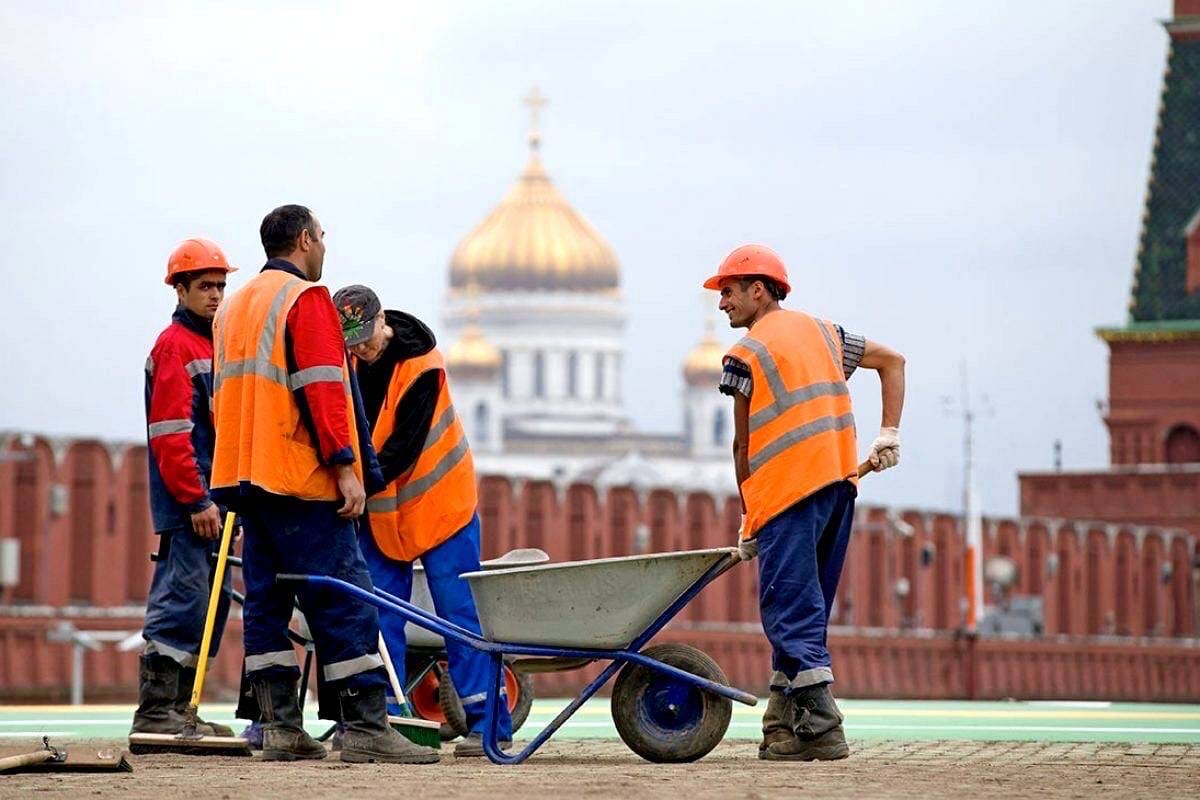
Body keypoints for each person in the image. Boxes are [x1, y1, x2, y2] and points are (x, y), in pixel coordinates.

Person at [210, 205, 437, 765]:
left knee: (266, 601)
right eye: (323, 236)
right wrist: (344, 466)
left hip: (243, 477)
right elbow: (322, 388)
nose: (325, 247)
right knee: (343, 597)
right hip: (298, 478)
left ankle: (281, 728)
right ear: (306, 239)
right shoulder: (304, 300)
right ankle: (364, 727)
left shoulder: (233, 306)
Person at [705, 244, 906, 762]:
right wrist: (889, 433)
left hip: (788, 495)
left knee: (789, 609)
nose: (722, 302)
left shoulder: (743, 355)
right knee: (806, 610)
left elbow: (742, 445)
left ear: (760, 289)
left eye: (728, 291)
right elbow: (894, 361)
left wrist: (750, 518)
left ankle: (822, 723)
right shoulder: (827, 333)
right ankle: (783, 725)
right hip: (839, 487)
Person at [331, 284, 513, 758]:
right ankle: (386, 722)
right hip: (385, 511)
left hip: (441, 504)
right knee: (377, 612)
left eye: (365, 339)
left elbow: (400, 451)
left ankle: (489, 725)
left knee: (459, 614)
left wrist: (351, 486)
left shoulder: (423, 367)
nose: (360, 351)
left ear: (382, 323)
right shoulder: (349, 363)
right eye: (350, 344)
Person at [132, 239, 238, 741]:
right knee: (183, 601)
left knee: (208, 607)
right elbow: (172, 434)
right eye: (205, 287)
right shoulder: (176, 346)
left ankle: (182, 710)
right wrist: (195, 499)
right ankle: (157, 711)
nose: (216, 295)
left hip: (216, 502)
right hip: (191, 505)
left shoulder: (214, 345)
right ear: (180, 289)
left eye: (220, 286)